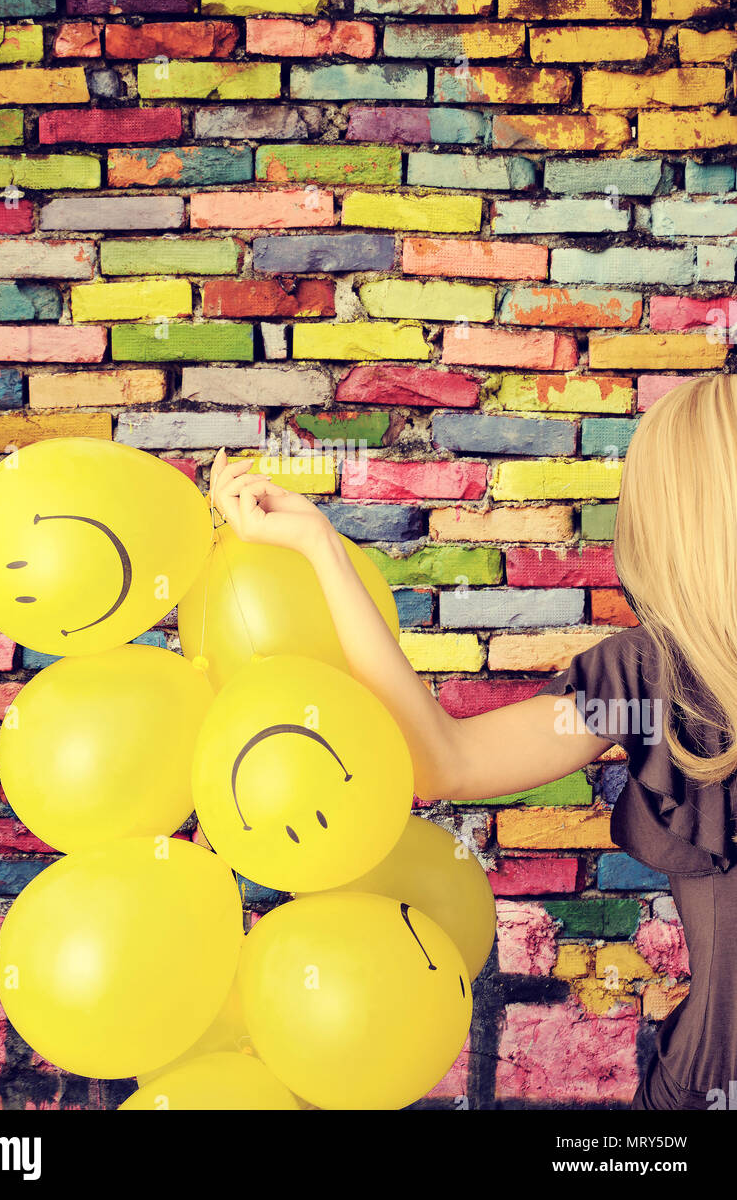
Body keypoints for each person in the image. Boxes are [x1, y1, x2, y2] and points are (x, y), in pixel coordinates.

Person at [209, 373, 737, 1112]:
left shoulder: (647, 677)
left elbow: (442, 760)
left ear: (674, 514)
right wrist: (317, 547)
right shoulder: (645, 678)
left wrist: (320, 547)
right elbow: (443, 761)